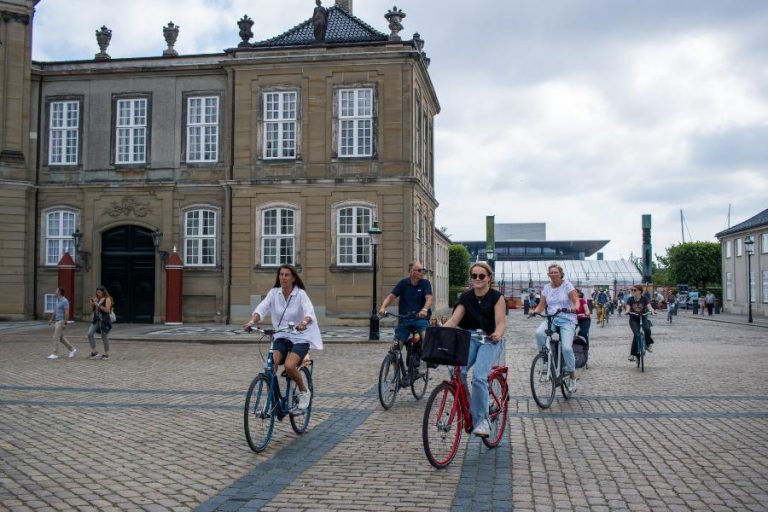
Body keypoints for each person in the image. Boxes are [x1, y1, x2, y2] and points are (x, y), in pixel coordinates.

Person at [441, 262, 505, 437]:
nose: (477, 279)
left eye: (481, 276)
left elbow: (500, 322)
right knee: (456, 371)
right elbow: (454, 321)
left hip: (489, 341)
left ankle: (482, 421)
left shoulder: (496, 297)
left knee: (478, 377)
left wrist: (498, 334)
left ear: (489, 278)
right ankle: (472, 405)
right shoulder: (466, 298)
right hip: (470, 339)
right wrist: (438, 332)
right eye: (474, 276)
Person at [245, 264, 322, 409]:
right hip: (281, 335)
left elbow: (309, 312)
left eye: (287, 275)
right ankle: (272, 400)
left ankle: (304, 391)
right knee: (270, 365)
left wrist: (304, 322)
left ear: (293, 278)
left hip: (300, 337)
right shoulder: (274, 293)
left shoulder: (300, 294)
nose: (283, 277)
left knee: (289, 366)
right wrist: (251, 322)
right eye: (281, 275)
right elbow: (262, 308)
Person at [532, 263, 580, 392]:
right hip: (552, 318)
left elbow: (576, 301)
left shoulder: (567, 285)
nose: (553, 274)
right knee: (539, 333)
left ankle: (572, 376)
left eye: (555, 272)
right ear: (548, 274)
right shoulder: (546, 287)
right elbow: (542, 305)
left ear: (560, 274)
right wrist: (535, 311)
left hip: (567, 319)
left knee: (566, 348)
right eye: (551, 272)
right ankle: (546, 362)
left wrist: (574, 308)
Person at [378, 260, 432, 343]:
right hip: (405, 319)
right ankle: (396, 350)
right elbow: (391, 297)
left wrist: (424, 310)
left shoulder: (425, 283)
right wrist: (383, 307)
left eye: (423, 270)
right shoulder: (403, 283)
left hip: (421, 318)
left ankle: (427, 351)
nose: (422, 272)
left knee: (427, 338)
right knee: (397, 345)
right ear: (411, 271)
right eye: (419, 270)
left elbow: (429, 298)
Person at [625, 285, 656, 361]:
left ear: (640, 291)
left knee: (647, 329)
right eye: (632, 290)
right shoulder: (630, 299)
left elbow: (649, 306)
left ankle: (648, 344)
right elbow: (628, 307)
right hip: (633, 319)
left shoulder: (644, 299)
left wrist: (652, 310)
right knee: (637, 334)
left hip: (643, 317)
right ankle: (632, 354)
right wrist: (627, 311)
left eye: (634, 290)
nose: (633, 291)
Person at [47, 287, 77, 360]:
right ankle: (72, 349)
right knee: (61, 338)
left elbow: (67, 312)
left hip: (61, 321)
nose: (55, 291)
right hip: (57, 321)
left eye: (56, 290)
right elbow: (55, 310)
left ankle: (55, 354)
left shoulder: (65, 301)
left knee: (55, 337)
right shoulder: (57, 300)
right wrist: (51, 319)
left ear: (59, 292)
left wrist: (65, 323)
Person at [87, 286, 113, 360]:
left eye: (99, 292)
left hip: (104, 320)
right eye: (97, 292)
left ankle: (107, 354)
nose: (98, 294)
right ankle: (94, 352)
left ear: (103, 292)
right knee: (90, 333)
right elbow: (93, 308)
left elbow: (107, 310)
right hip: (96, 319)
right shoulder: (97, 298)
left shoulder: (107, 299)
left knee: (104, 336)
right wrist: (92, 303)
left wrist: (98, 304)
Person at [575, 289, 591, 354]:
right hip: (574, 320)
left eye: (575, 292)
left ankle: (585, 349)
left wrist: (586, 313)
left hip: (584, 318)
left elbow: (587, 311)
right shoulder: (570, 302)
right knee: (570, 333)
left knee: (583, 333)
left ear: (579, 294)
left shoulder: (582, 301)